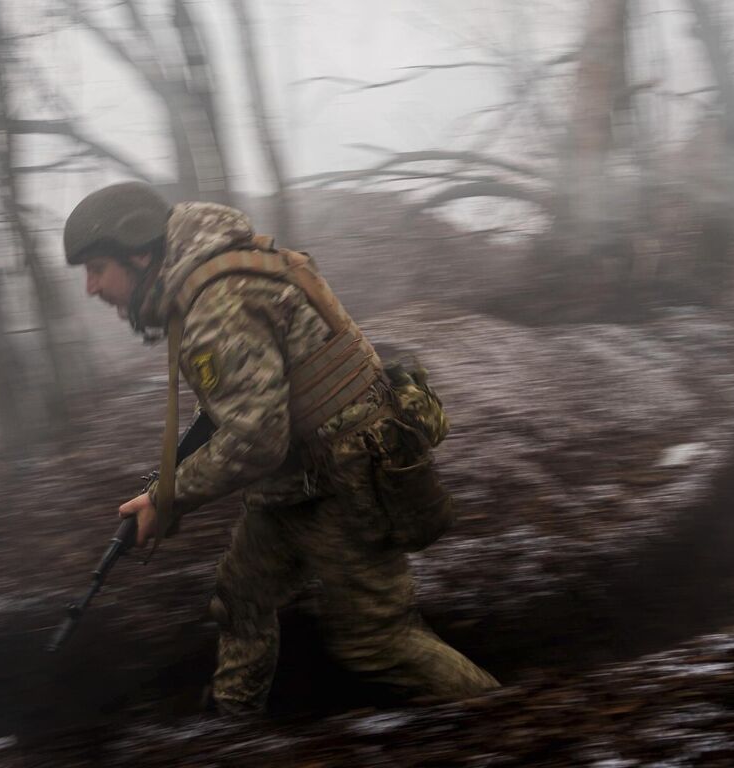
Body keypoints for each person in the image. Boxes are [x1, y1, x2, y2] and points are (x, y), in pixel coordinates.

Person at [62, 181, 499, 716]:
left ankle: (517, 722)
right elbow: (235, 406)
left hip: (344, 482)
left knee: (378, 642)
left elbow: (255, 439)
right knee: (241, 597)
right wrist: (162, 489)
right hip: (300, 479)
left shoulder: (216, 306)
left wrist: (170, 499)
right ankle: (233, 727)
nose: (91, 288)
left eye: (96, 269)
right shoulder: (210, 281)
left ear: (139, 252)